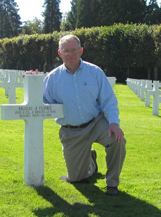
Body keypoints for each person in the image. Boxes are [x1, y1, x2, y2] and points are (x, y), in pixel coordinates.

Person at [43, 34, 126, 196]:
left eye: (74, 50)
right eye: (65, 51)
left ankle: (112, 184)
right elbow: (42, 102)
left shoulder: (94, 72)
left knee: (118, 140)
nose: (70, 54)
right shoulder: (52, 78)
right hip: (71, 130)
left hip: (96, 122)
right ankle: (91, 162)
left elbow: (108, 100)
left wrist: (114, 123)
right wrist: (29, 81)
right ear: (59, 53)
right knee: (76, 179)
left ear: (81, 51)